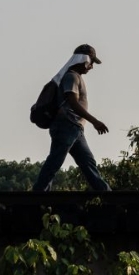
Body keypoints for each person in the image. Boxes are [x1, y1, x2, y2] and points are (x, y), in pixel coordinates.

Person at [31, 44, 111, 192]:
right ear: (85, 60)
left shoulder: (76, 76)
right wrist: (95, 121)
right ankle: (38, 195)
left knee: (88, 163)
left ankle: (106, 194)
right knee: (55, 161)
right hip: (66, 125)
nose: (92, 66)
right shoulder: (71, 76)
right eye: (91, 62)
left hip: (75, 128)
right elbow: (73, 102)